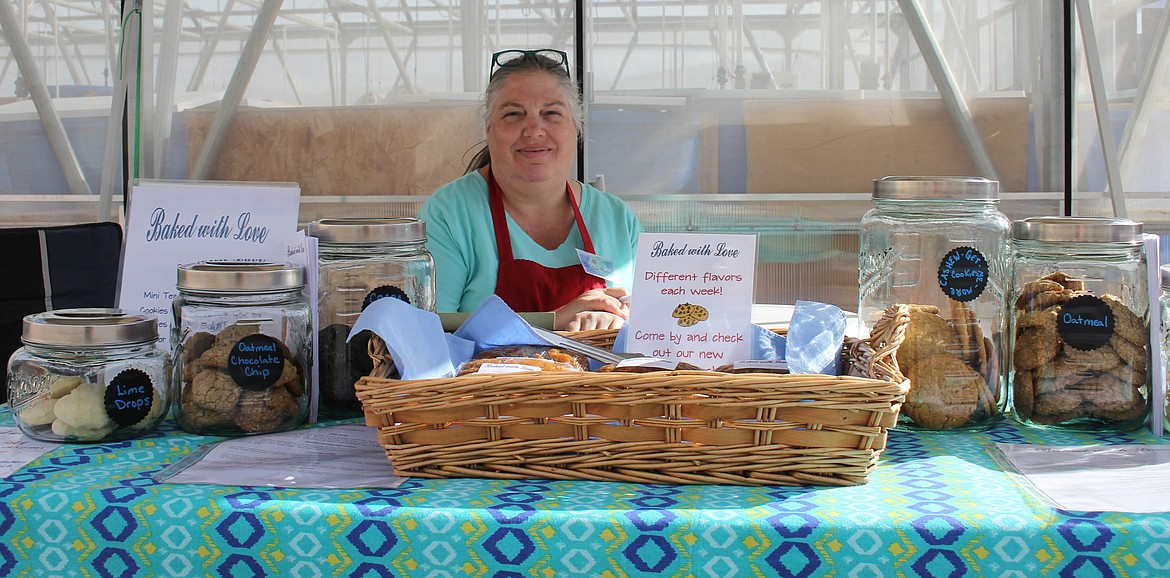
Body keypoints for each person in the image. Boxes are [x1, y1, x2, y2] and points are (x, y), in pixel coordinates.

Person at [418, 49, 641, 331]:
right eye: (513, 114)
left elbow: (647, 326)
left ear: (576, 127)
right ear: (489, 129)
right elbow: (426, 329)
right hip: (486, 376)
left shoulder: (617, 219)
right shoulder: (448, 215)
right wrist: (554, 321)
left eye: (551, 113)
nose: (534, 129)